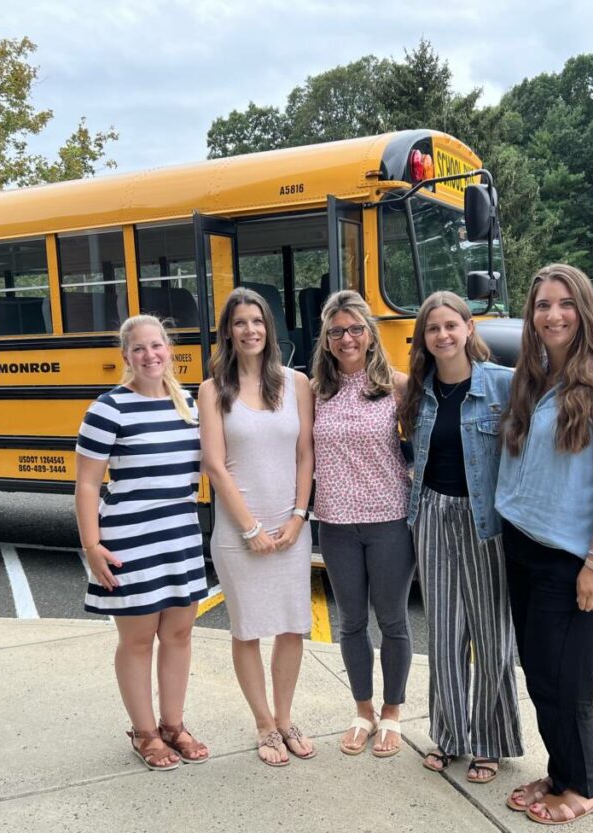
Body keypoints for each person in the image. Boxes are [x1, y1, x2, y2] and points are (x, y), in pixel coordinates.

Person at [496, 264, 593, 825]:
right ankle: (561, 773)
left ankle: (586, 786)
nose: (553, 314)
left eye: (564, 304)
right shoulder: (534, 378)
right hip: (526, 547)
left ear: (584, 310)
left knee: (569, 680)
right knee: (540, 672)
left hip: (578, 558)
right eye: (542, 305)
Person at [396, 291, 523, 784]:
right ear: (424, 339)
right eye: (433, 329)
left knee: (492, 636)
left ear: (470, 328)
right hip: (431, 514)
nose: (443, 335)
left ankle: (490, 742)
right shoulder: (419, 390)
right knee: (445, 635)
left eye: (451, 325)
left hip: (484, 520)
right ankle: (449, 737)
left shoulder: (504, 386)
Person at [75, 314, 210, 771]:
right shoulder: (108, 408)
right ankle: (145, 732)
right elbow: (87, 485)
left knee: (179, 634)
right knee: (137, 640)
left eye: (157, 346)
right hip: (130, 539)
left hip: (180, 533)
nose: (150, 355)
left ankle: (174, 724)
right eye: (139, 349)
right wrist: (92, 546)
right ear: (125, 356)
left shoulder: (188, 403)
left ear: (169, 348)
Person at [197, 286, 316, 767]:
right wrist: (250, 528)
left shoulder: (297, 383)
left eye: (258, 322)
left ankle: (285, 719)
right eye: (240, 322)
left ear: (270, 328)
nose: (250, 330)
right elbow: (215, 464)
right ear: (228, 331)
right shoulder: (212, 390)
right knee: (246, 630)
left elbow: (306, 452)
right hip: (238, 532)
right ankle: (264, 725)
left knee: (292, 627)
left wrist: (298, 516)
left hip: (291, 526)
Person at [310, 290, 415, 758]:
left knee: (392, 620)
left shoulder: (397, 386)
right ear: (327, 340)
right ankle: (363, 710)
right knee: (351, 622)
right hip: (334, 522)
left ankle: (392, 713)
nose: (347, 338)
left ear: (370, 335)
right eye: (337, 331)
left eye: (355, 329)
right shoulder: (314, 392)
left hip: (389, 519)